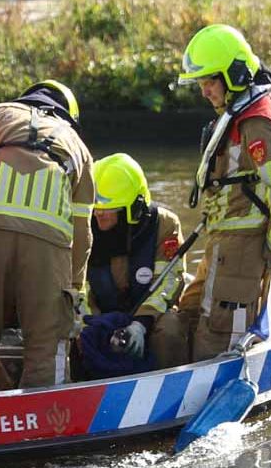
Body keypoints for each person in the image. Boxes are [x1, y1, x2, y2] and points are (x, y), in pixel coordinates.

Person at [0, 80, 94, 392]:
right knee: (46, 346)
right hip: (49, 240)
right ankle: (46, 420)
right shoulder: (79, 148)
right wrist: (71, 290)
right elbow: (82, 234)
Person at [173, 24, 271, 359]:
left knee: (217, 338)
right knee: (188, 313)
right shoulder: (241, 114)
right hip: (224, 245)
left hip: (244, 250)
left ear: (233, 75)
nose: (205, 92)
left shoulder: (256, 123)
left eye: (209, 82)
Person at [77, 153, 190, 378]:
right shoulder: (84, 227)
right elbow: (79, 283)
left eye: (109, 209)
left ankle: (170, 385)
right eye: (95, 207)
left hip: (150, 315)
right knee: (72, 331)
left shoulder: (164, 225)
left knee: (170, 328)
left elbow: (168, 282)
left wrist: (141, 323)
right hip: (101, 316)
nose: (99, 214)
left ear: (134, 209)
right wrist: (91, 321)